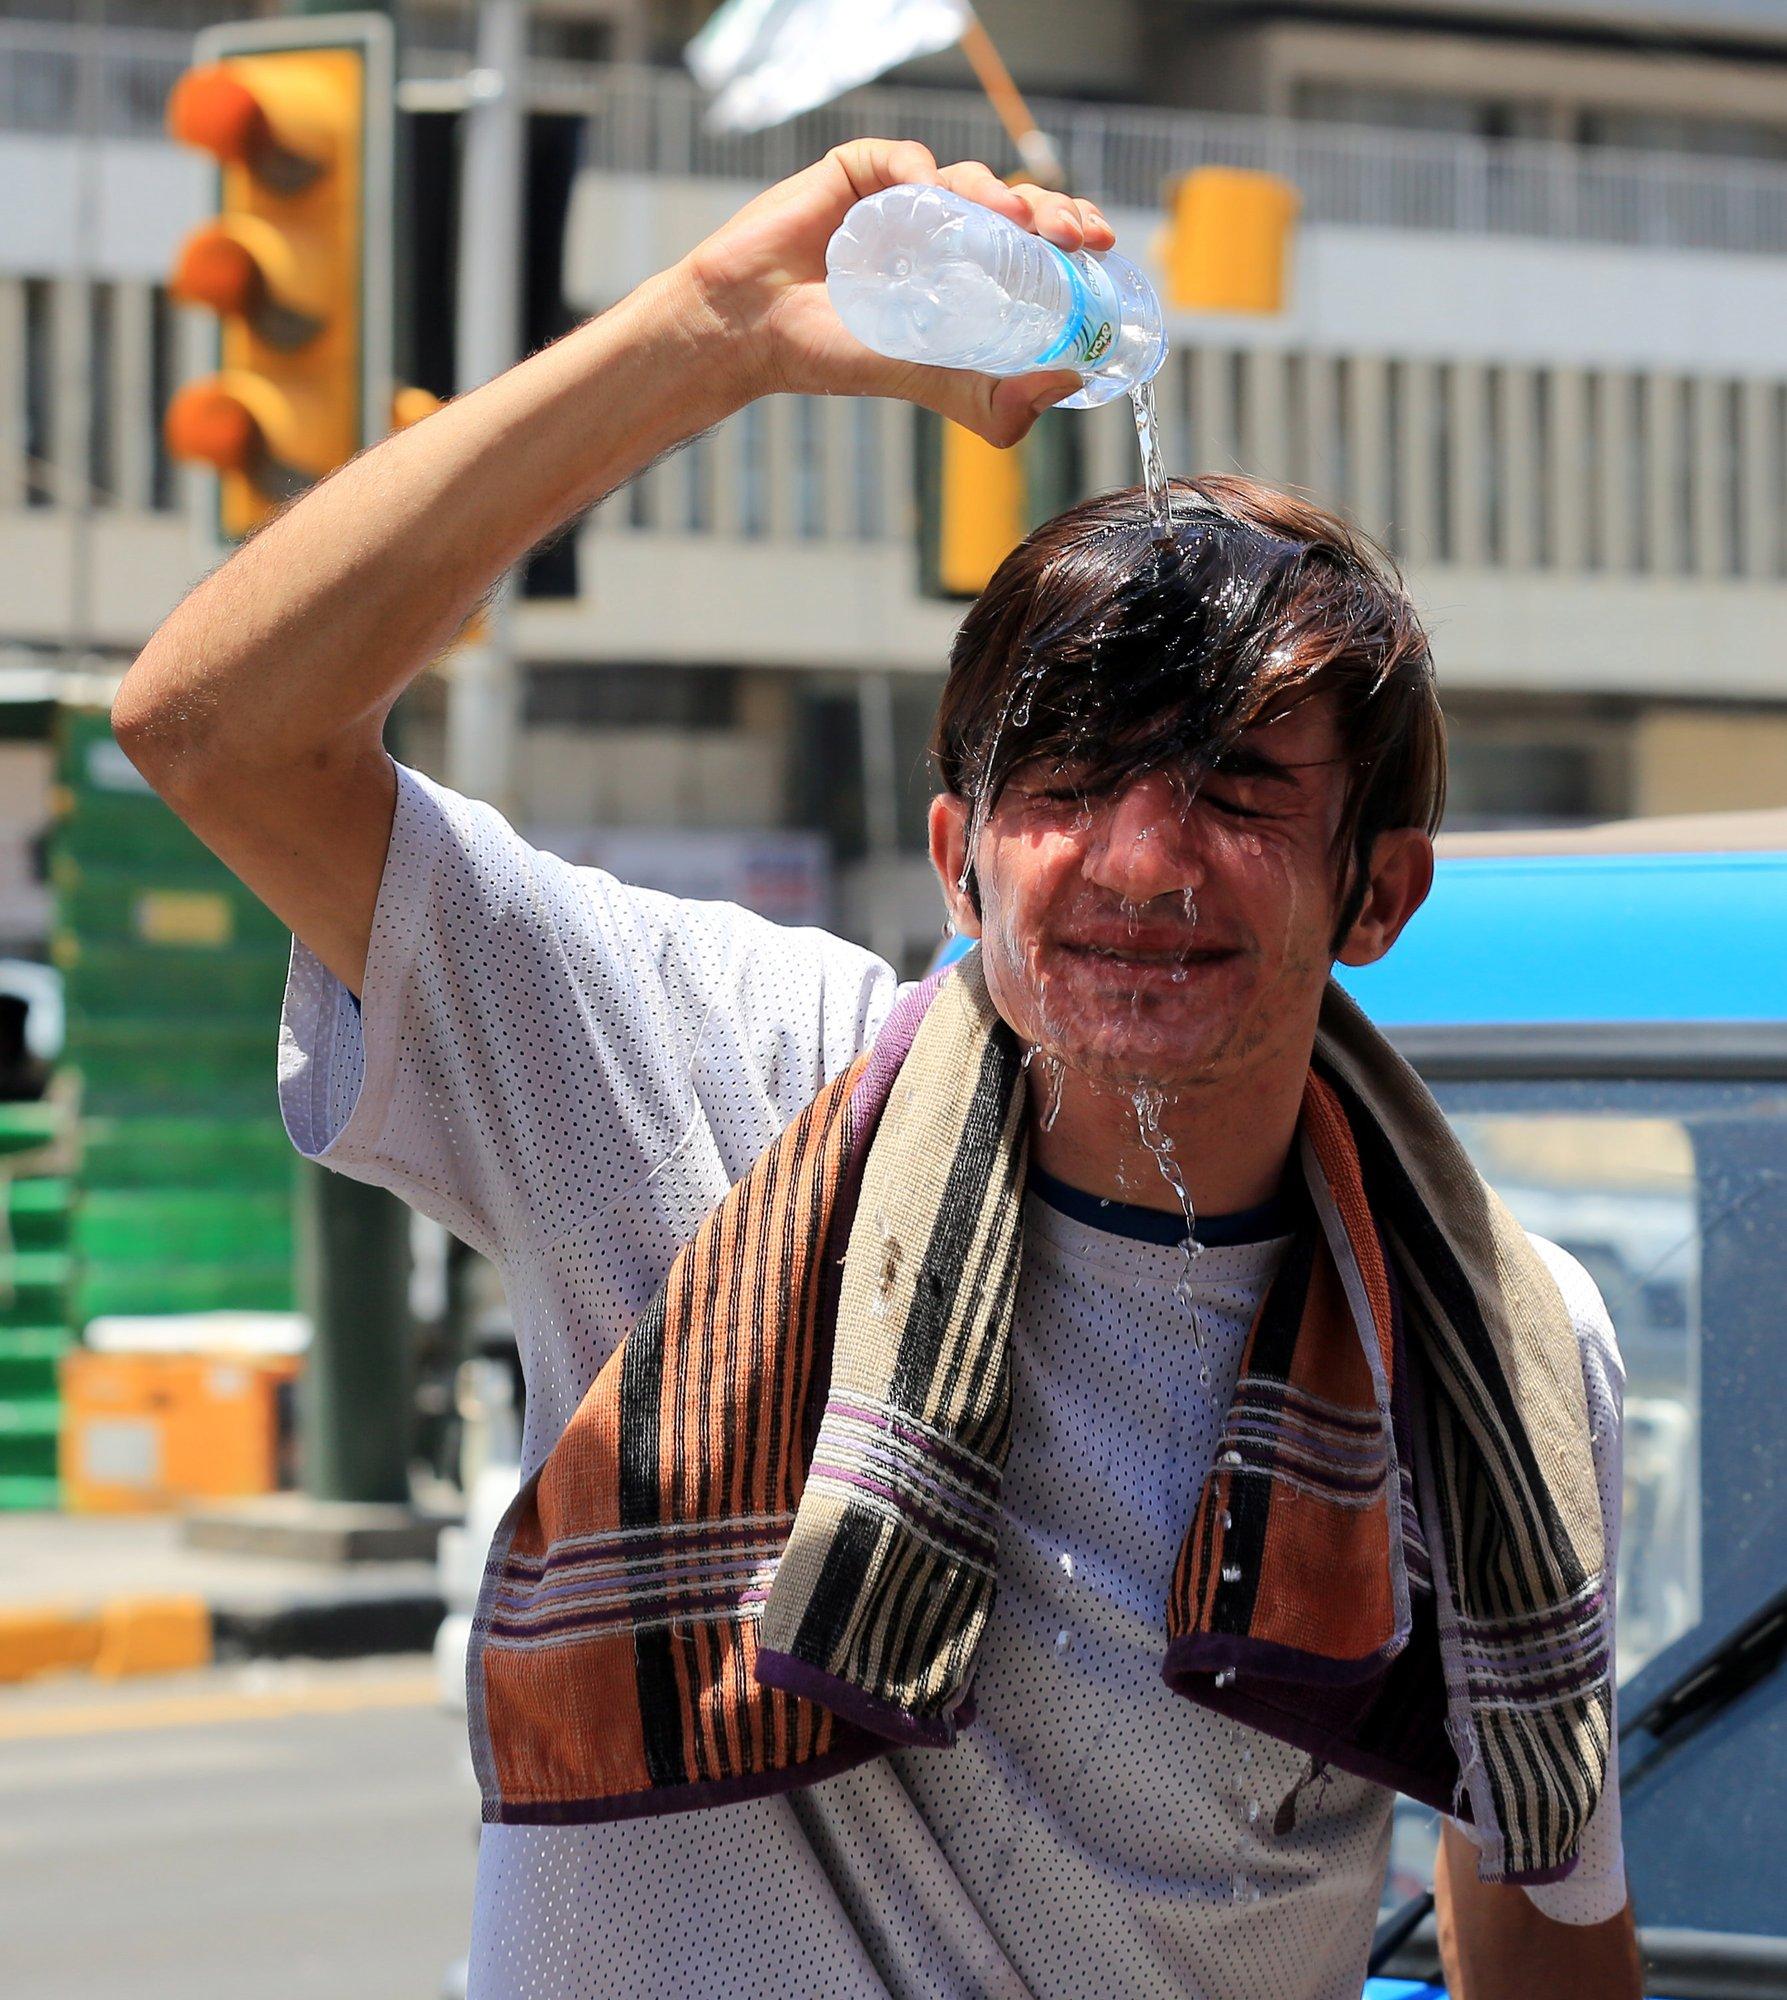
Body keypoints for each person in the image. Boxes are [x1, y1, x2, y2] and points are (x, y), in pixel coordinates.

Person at [116, 140, 1642, 1999]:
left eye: (1240, 794)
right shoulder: (701, 1080)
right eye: (1068, 790)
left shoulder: (1495, 1346)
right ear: (956, 856)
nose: (1144, 862)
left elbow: (1544, 1925)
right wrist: (710, 334)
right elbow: (211, 728)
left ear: (1380, 890)